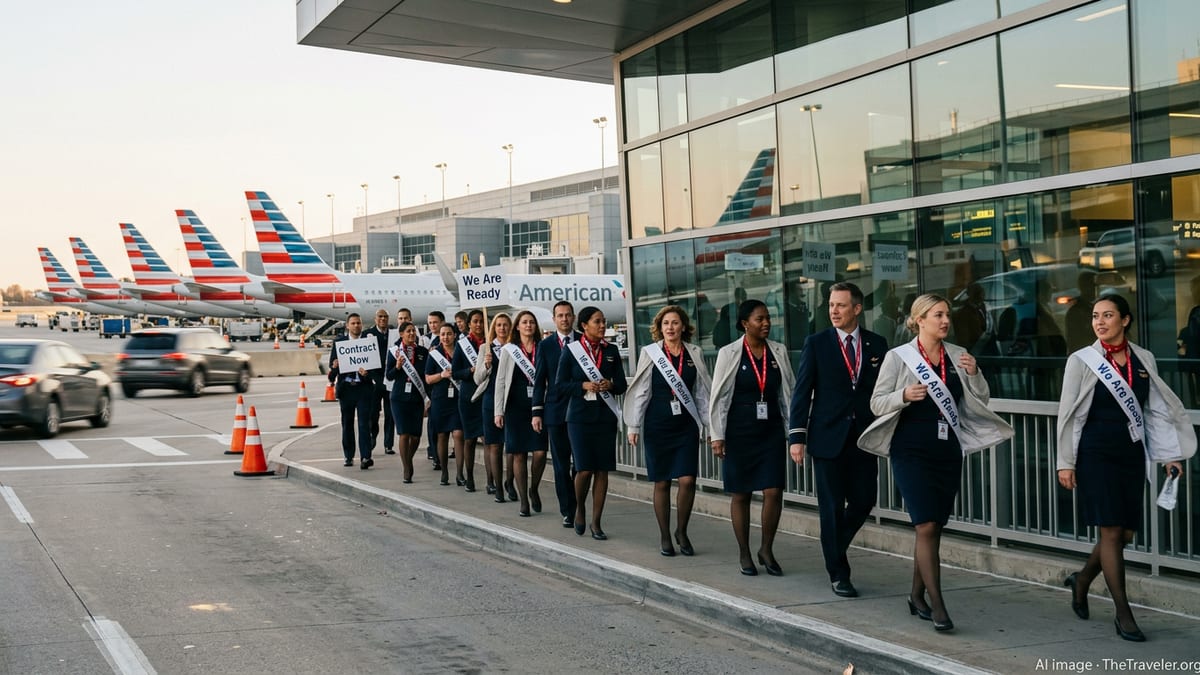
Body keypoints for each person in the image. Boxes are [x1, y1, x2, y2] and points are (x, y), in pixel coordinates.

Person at [858, 294, 1013, 632]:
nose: (945, 321)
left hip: (946, 450)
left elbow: (980, 400)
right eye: (938, 315)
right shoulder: (899, 357)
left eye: (947, 315)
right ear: (919, 320)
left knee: (934, 527)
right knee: (925, 525)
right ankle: (938, 605)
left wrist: (974, 375)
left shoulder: (958, 355)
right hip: (910, 449)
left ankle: (916, 595)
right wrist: (903, 395)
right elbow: (876, 403)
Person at [1056, 294, 1195, 642]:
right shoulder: (1082, 361)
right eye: (1095, 317)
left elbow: (1155, 413)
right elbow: (1068, 415)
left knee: (1125, 533)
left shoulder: (1143, 358)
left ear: (1126, 320)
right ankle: (1123, 612)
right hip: (1095, 453)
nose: (1100, 322)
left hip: (1132, 454)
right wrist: (1065, 462)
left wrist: (1169, 456)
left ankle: (1083, 579)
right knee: (1111, 533)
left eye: (1108, 315)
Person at [788, 282, 887, 597]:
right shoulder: (817, 343)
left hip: (863, 438)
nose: (833, 310)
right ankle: (839, 573)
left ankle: (832, 545)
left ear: (857, 309)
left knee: (863, 500)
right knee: (830, 507)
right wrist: (796, 437)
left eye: (841, 305)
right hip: (827, 436)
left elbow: (884, 390)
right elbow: (802, 392)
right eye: (831, 305)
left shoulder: (877, 344)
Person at [708, 299, 794, 576]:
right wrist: (717, 435)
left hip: (770, 429)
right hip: (738, 429)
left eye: (768, 318)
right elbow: (719, 397)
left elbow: (787, 394)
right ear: (745, 324)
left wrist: (794, 431)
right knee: (741, 492)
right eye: (759, 319)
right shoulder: (729, 352)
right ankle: (744, 551)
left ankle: (766, 548)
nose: (766, 323)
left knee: (773, 490)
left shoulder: (778, 351)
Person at [624, 305, 711, 556]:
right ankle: (665, 535)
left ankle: (682, 531)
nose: (670, 328)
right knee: (661, 481)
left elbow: (702, 393)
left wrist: (708, 426)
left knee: (687, 479)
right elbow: (641, 390)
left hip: (685, 424)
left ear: (683, 326)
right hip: (657, 423)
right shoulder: (650, 353)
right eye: (665, 324)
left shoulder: (695, 352)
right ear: (659, 328)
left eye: (675, 323)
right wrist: (634, 425)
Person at [555, 305, 627, 539]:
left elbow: (622, 384)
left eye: (604, 321)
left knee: (602, 470)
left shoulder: (612, 350)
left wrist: (610, 385)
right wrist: (582, 386)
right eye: (597, 322)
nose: (603, 325)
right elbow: (560, 385)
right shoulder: (571, 350)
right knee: (584, 468)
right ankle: (579, 510)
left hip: (604, 416)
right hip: (579, 417)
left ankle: (596, 522)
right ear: (584, 325)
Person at [532, 301, 582, 527]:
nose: (564, 319)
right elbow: (540, 381)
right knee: (561, 464)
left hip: (582, 410)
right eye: (560, 316)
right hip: (555, 412)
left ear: (573, 317)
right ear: (554, 319)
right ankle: (568, 510)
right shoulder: (546, 345)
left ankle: (580, 504)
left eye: (568, 315)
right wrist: (537, 412)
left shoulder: (583, 340)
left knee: (580, 464)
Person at [494, 310, 548, 516]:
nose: (528, 325)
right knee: (518, 453)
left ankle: (534, 488)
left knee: (540, 452)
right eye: (524, 322)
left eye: (531, 322)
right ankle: (524, 499)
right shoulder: (509, 350)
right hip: (514, 407)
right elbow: (500, 381)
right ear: (517, 326)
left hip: (538, 405)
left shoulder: (542, 348)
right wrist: (498, 411)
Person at [327, 313, 382, 469]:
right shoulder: (340, 343)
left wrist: (368, 373)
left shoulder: (368, 343)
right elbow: (331, 376)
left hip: (364, 389)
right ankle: (348, 455)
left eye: (358, 323)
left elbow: (377, 370)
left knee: (365, 423)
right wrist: (334, 367)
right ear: (347, 326)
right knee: (347, 423)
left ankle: (366, 456)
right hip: (346, 389)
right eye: (353, 323)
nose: (356, 325)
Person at [473, 312, 512, 500]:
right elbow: (477, 378)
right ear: (494, 328)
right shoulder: (485, 349)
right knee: (494, 445)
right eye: (499, 325)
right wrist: (486, 366)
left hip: (511, 399)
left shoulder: (515, 348)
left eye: (505, 325)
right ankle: (496, 485)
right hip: (490, 399)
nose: (502, 328)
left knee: (511, 445)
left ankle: (510, 481)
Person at [385, 320, 429, 483]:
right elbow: (389, 376)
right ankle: (407, 468)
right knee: (404, 433)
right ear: (401, 334)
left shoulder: (423, 352)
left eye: (414, 331)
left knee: (416, 436)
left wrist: (427, 399)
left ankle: (408, 459)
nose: (412, 334)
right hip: (399, 398)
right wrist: (397, 367)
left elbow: (426, 375)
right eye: (408, 331)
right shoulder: (394, 352)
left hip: (417, 397)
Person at [452, 309, 487, 491]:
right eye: (475, 321)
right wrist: (470, 371)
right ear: (469, 324)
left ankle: (491, 481)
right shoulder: (462, 344)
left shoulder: (491, 343)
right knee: (470, 439)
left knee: (488, 439)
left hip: (486, 395)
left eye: (481, 321)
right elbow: (455, 371)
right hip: (468, 397)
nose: (479, 324)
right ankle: (470, 477)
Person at [424, 324, 463, 485]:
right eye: (442, 334)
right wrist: (442, 375)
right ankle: (444, 471)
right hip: (440, 398)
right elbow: (428, 378)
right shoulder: (434, 354)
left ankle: (460, 473)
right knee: (442, 435)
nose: (445, 337)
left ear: (454, 335)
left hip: (458, 398)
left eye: (448, 334)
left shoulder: (461, 352)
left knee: (459, 435)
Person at [362, 309, 395, 455]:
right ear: (375, 319)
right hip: (374, 380)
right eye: (380, 317)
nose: (383, 319)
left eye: (385, 317)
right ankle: (372, 438)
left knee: (390, 414)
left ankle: (388, 444)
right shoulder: (367, 335)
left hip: (390, 378)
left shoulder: (394, 334)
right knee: (373, 414)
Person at [422, 310, 446, 461]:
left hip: (444, 386)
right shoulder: (424, 340)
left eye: (435, 322)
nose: (432, 325)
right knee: (432, 421)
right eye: (430, 322)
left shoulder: (446, 338)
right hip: (428, 384)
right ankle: (433, 449)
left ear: (442, 322)